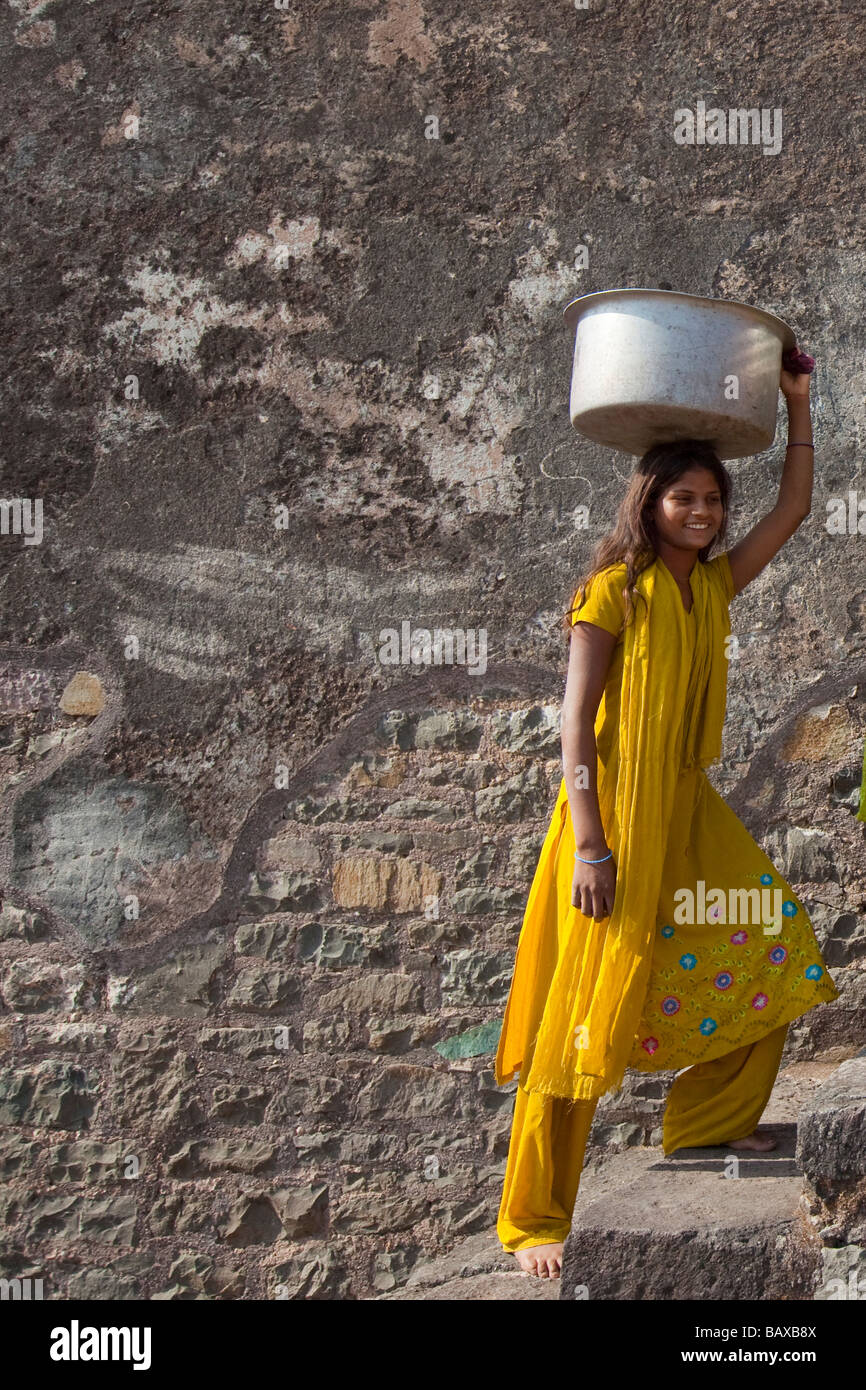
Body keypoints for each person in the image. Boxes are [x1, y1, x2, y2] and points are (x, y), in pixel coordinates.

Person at [493, 357, 840, 1280]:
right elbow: (574, 727)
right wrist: (593, 847)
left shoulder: (711, 588)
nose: (702, 515)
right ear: (649, 503)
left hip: (687, 813)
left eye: (712, 503)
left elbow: (794, 511)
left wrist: (800, 406)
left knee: (779, 943)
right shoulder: (612, 591)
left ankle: (702, 1126)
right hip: (609, 829)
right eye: (684, 499)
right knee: (581, 1019)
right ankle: (533, 1221)